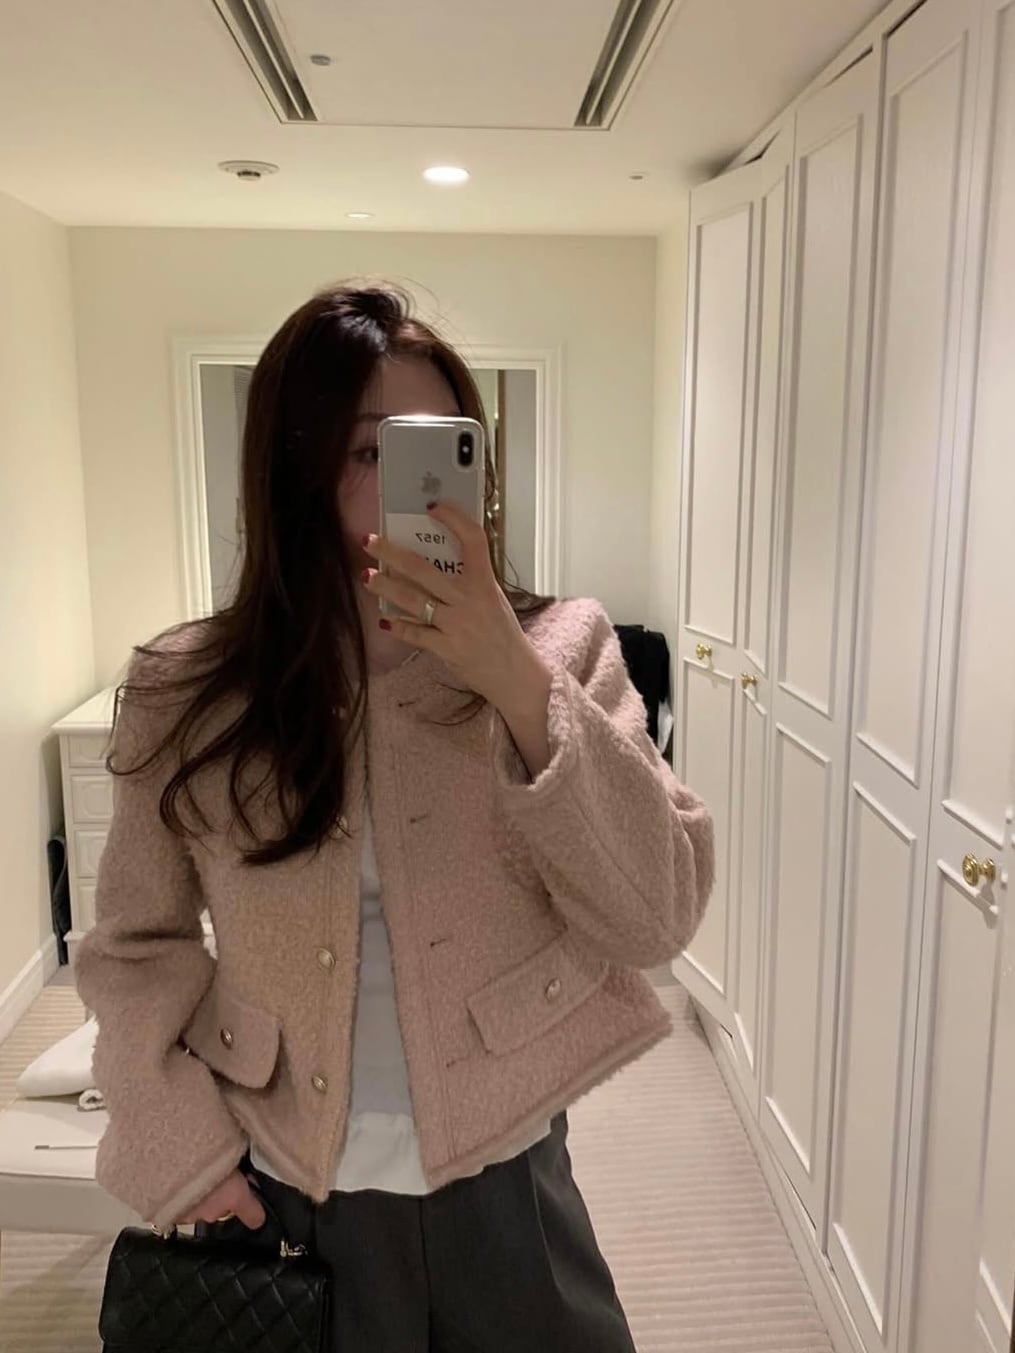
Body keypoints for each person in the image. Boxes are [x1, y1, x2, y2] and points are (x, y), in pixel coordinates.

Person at [74, 281, 715, 1352]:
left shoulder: (564, 649)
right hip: (281, 1181)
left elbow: (655, 918)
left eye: (441, 447)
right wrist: (178, 1144)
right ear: (295, 464)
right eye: (370, 449)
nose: (408, 483)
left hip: (509, 1176)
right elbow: (134, 946)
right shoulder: (188, 687)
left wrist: (513, 679)